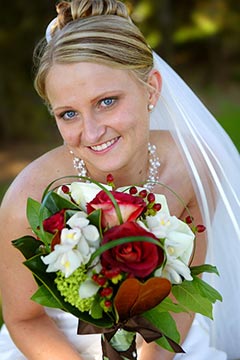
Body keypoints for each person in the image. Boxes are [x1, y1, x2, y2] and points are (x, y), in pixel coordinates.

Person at [0, 0, 239, 359]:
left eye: (107, 101)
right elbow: (25, 319)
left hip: (162, 345)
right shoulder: (29, 201)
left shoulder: (191, 168)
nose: (92, 131)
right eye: (68, 113)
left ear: (151, 90)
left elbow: (182, 295)